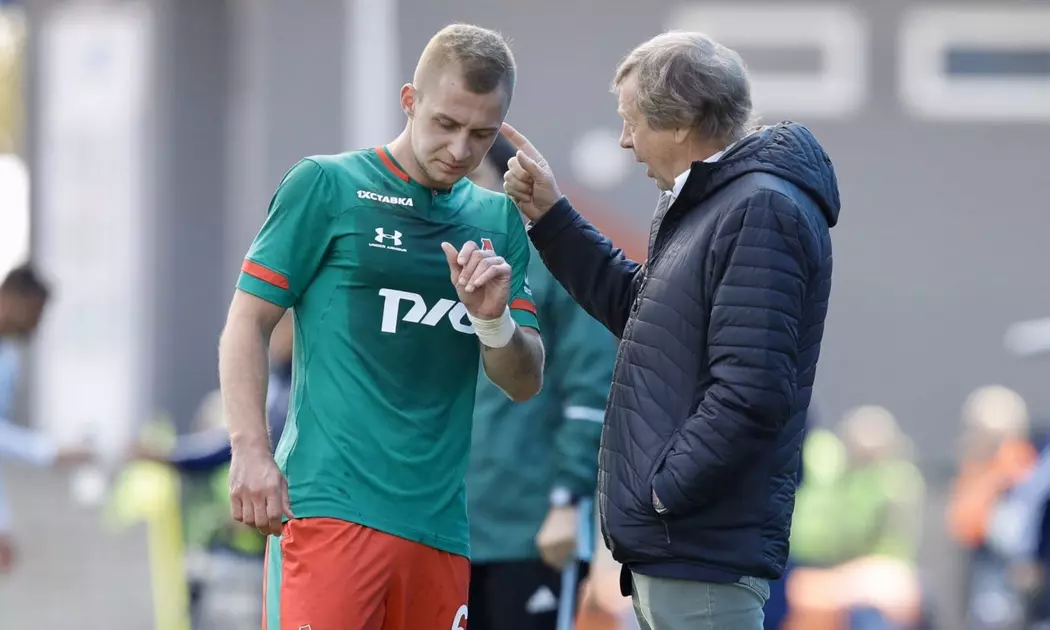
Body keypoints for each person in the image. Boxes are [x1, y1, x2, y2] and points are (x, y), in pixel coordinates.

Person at [502, 30, 839, 630]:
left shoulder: (759, 208)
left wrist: (662, 492)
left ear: (682, 122)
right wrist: (552, 219)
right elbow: (643, 315)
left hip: (700, 552)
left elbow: (752, 391)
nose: (625, 141)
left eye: (631, 122)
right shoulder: (714, 203)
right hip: (681, 551)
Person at [218, 23, 545, 630]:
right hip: (329, 511)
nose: (460, 149)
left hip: (439, 529)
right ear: (409, 100)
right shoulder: (327, 184)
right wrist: (250, 449)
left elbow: (524, 381)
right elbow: (248, 320)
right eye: (446, 123)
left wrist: (492, 320)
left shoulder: (497, 220)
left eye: (482, 134)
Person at [466, 136, 616, 630]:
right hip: (448, 526)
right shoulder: (439, 262)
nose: (459, 192)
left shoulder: (554, 262)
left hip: (532, 527)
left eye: (474, 178)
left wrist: (567, 502)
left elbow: (591, 392)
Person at [0, 263, 91, 572]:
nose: (36, 325)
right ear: (10, 298)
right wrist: (48, 451)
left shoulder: (9, 360)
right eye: (34, 313)